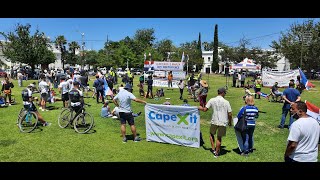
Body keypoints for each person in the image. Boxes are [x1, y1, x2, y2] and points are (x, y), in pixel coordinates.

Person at [198, 87, 232, 158]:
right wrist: (230, 122)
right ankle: (216, 153)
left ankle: (213, 148)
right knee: (219, 137)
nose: (225, 94)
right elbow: (230, 113)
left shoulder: (212, 100)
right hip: (223, 122)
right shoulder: (226, 102)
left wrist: (199, 108)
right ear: (222, 93)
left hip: (214, 120)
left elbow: (205, 109)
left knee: (211, 134)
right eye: (225, 93)